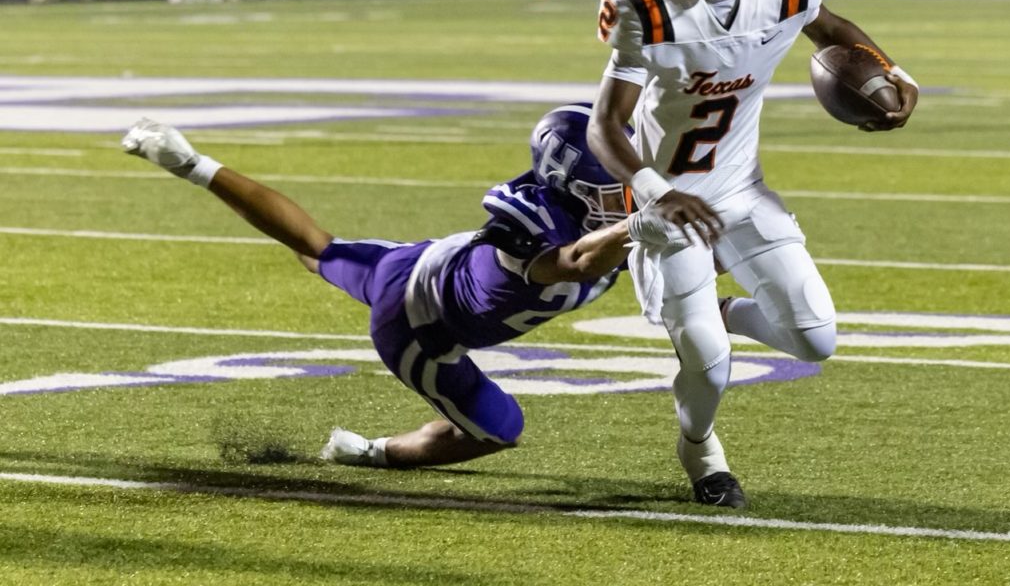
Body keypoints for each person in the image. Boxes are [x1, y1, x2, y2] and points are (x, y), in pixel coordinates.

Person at [586, 0, 919, 509]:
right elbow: (606, 127)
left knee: (816, 338)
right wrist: (656, 192)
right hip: (668, 205)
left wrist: (889, 71)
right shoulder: (641, 1)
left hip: (740, 190)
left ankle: (719, 310)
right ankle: (700, 448)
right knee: (707, 362)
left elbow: (827, 28)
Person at [120, 105, 674, 469]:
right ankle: (373, 454)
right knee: (500, 430)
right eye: (616, 190)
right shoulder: (537, 227)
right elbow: (577, 262)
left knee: (318, 250)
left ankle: (191, 163)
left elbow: (669, 255)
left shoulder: (594, 219)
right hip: (418, 326)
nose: (630, 197)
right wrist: (643, 225)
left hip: (425, 261)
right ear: (570, 187)